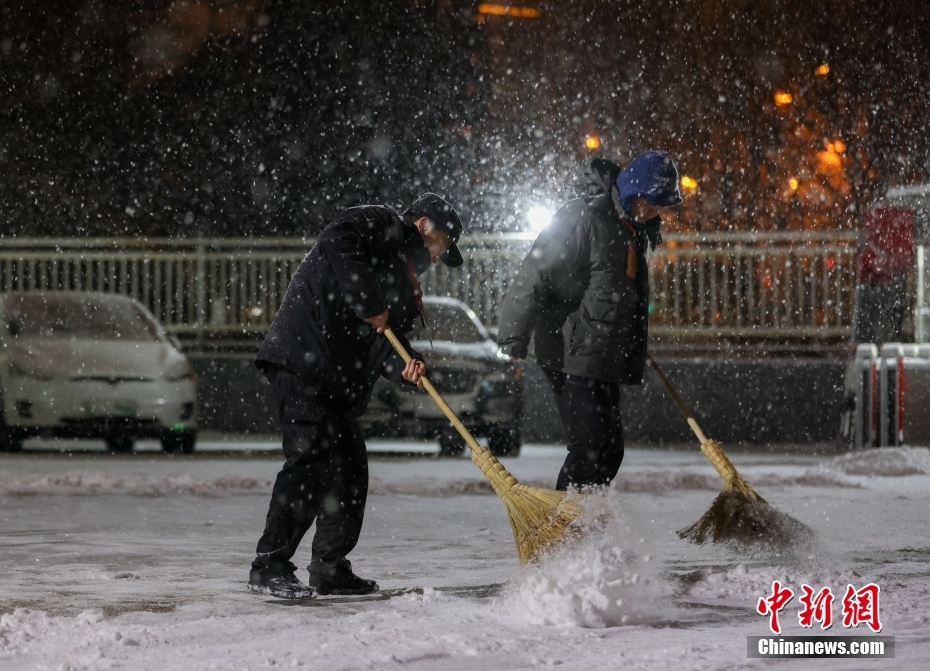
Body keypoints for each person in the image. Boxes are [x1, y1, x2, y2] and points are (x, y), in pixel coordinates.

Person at [248, 193, 465, 600]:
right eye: (442, 245)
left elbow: (382, 339)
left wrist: (407, 366)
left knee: (349, 469)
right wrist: (369, 301)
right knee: (310, 460)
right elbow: (336, 239)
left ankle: (329, 568)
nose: (439, 257)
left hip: (336, 380)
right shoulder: (382, 224)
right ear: (424, 225)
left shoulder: (402, 284)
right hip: (303, 358)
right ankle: (268, 568)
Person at [496, 151, 682, 491]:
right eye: (651, 202)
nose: (655, 211)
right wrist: (513, 337)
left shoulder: (632, 229)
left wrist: (630, 338)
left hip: (600, 352)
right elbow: (534, 274)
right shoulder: (581, 218)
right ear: (633, 192)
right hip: (569, 349)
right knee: (590, 448)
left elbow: (621, 293)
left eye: (661, 205)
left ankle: (588, 515)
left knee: (610, 451)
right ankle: (563, 519)